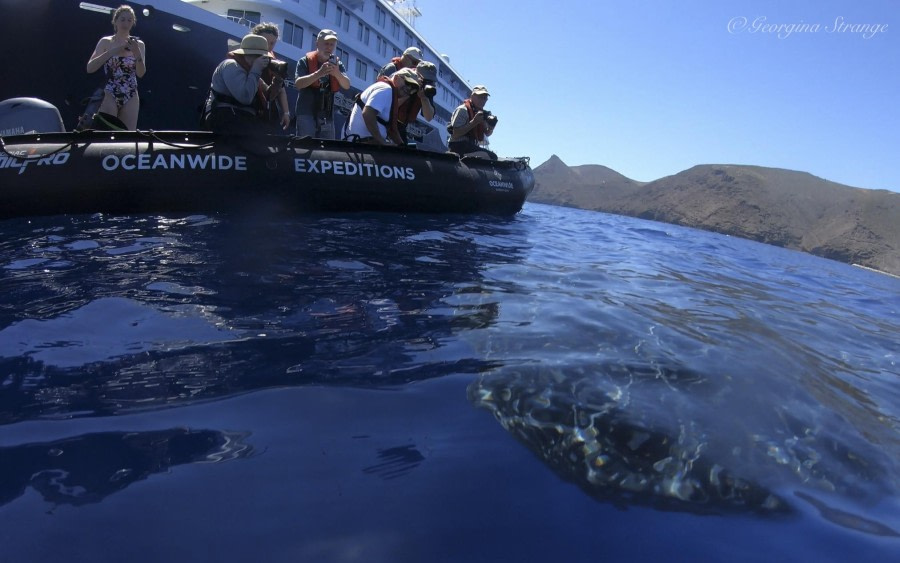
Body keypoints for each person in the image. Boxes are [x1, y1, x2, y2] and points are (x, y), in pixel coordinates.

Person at [85, 5, 146, 130]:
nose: (126, 23)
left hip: (130, 91)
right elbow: (90, 68)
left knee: (128, 134)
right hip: (110, 89)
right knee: (108, 128)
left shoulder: (139, 45)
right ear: (116, 21)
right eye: (122, 19)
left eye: (129, 20)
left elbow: (141, 73)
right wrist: (111, 52)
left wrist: (137, 53)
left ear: (133, 22)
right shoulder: (106, 42)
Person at [202, 34, 273, 135]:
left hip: (242, 119)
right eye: (259, 56)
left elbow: (269, 94)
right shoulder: (231, 65)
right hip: (224, 117)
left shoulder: (251, 72)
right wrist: (256, 70)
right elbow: (245, 97)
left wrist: (278, 81)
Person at [293, 29, 350, 139]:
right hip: (306, 112)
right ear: (317, 43)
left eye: (332, 45)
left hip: (326, 114)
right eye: (326, 43)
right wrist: (319, 73)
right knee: (305, 145)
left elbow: (346, 85)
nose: (329, 47)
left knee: (327, 149)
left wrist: (337, 73)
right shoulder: (304, 61)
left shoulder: (338, 64)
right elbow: (298, 84)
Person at [344, 68, 421, 146]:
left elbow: (391, 130)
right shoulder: (386, 90)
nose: (409, 88)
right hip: (362, 145)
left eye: (413, 88)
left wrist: (403, 146)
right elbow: (368, 114)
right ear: (397, 78)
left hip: (361, 143)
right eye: (407, 83)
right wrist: (382, 142)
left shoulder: (389, 92)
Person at [251, 22, 291, 132]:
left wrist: (286, 112)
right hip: (248, 108)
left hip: (267, 109)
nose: (268, 46)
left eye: (272, 43)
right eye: (265, 42)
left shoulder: (273, 61)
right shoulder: (246, 57)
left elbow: (281, 90)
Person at [447, 85, 497, 159]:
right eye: (480, 97)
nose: (482, 100)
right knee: (491, 157)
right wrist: (474, 122)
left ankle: (469, 159)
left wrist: (491, 126)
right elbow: (455, 134)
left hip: (471, 146)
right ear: (472, 96)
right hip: (458, 145)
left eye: (484, 98)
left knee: (493, 156)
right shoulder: (463, 110)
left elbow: (487, 133)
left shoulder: (481, 114)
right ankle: (462, 157)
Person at [394, 60, 437, 144]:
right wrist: (411, 90)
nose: (427, 83)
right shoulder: (403, 77)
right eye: (425, 80)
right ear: (417, 75)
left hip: (401, 126)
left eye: (430, 81)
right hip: (385, 119)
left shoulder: (427, 89)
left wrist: (424, 98)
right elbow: (389, 105)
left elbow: (429, 117)